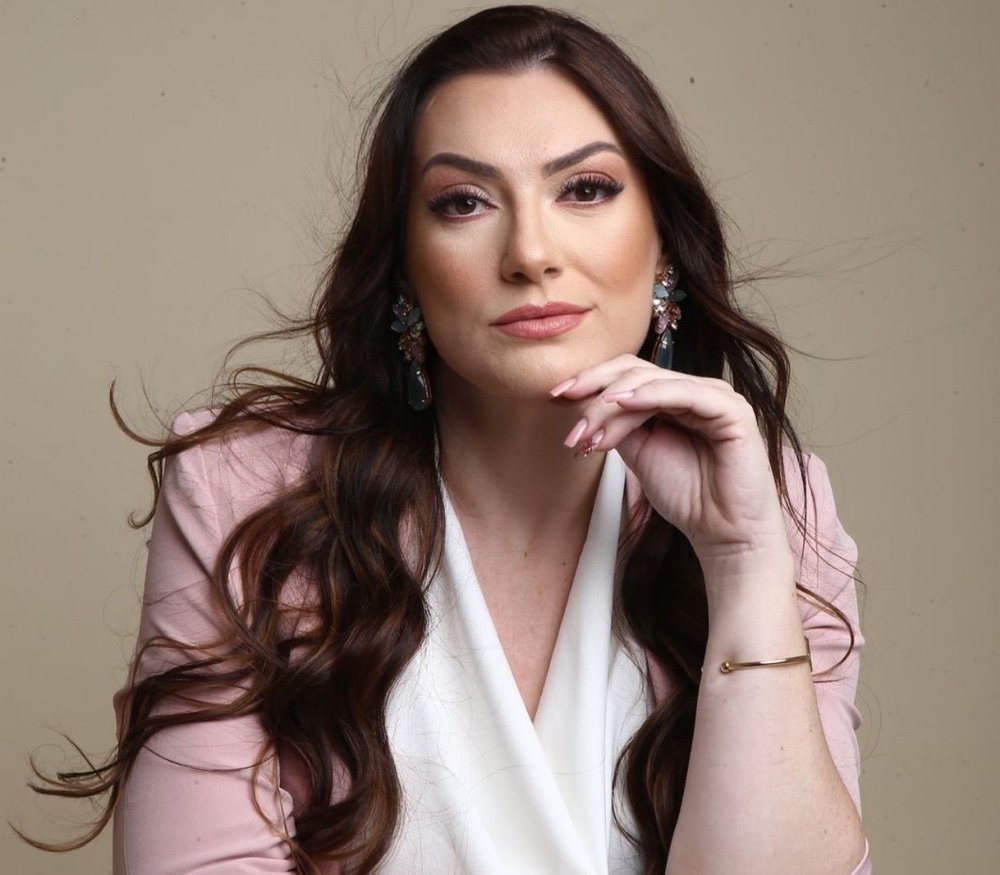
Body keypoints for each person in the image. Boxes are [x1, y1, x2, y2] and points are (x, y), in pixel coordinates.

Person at [30, 6, 870, 874]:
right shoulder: (244, 493)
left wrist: (742, 560)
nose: (531, 252)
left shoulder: (774, 505)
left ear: (664, 246)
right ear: (406, 267)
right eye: (464, 201)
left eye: (585, 189)